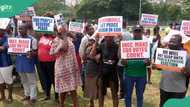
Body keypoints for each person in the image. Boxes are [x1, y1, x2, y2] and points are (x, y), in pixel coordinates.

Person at [153, 34, 190, 107]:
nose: (170, 43)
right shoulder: (164, 53)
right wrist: (155, 66)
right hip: (164, 87)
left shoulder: (187, 56)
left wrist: (186, 72)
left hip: (178, 90)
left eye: (173, 42)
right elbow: (159, 68)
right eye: (170, 41)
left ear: (180, 43)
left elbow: (189, 74)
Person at [50, 30, 82, 107]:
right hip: (62, 68)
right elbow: (64, 48)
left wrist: (69, 33)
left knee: (72, 88)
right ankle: (64, 104)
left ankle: (64, 105)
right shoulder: (56, 41)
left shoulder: (68, 38)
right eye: (61, 30)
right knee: (65, 89)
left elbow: (75, 38)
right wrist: (64, 36)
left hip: (71, 67)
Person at [121, 25, 150, 107]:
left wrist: (147, 62)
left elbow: (149, 63)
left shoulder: (146, 44)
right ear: (132, 32)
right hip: (128, 74)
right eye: (135, 31)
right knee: (127, 96)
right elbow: (123, 62)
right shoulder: (127, 44)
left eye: (139, 31)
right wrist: (124, 62)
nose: (137, 33)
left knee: (140, 96)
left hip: (141, 75)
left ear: (142, 32)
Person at [15, 24, 37, 104]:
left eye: (22, 29)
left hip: (28, 63)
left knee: (32, 81)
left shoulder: (33, 40)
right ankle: (27, 95)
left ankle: (33, 97)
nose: (20, 30)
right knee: (24, 81)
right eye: (19, 29)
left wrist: (31, 53)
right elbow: (13, 50)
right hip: (19, 63)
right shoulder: (16, 39)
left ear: (27, 29)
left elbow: (35, 52)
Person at [94, 36, 119, 107]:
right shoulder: (102, 45)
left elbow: (120, 57)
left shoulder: (116, 46)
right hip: (103, 73)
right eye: (107, 37)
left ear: (113, 37)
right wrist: (96, 41)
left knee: (114, 93)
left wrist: (120, 43)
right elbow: (92, 54)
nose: (109, 38)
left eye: (111, 37)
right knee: (101, 93)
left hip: (113, 73)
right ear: (105, 37)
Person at [84, 36, 100, 107]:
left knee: (96, 87)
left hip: (96, 71)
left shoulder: (99, 49)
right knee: (89, 87)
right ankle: (91, 103)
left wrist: (90, 57)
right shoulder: (87, 48)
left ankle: (99, 103)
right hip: (88, 70)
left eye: (92, 41)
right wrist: (85, 49)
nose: (90, 42)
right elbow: (84, 57)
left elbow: (97, 59)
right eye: (89, 40)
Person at [79, 24, 95, 90]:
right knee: (85, 74)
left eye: (93, 29)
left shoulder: (94, 37)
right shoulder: (85, 39)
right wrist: (83, 59)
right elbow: (81, 50)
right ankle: (84, 87)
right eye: (91, 29)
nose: (93, 30)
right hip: (86, 60)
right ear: (87, 31)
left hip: (92, 60)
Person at [0, 29, 13, 103]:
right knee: (0, 81)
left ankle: (10, 97)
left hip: (6, 63)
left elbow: (2, 48)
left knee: (8, 81)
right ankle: (2, 96)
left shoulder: (7, 37)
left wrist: (2, 47)